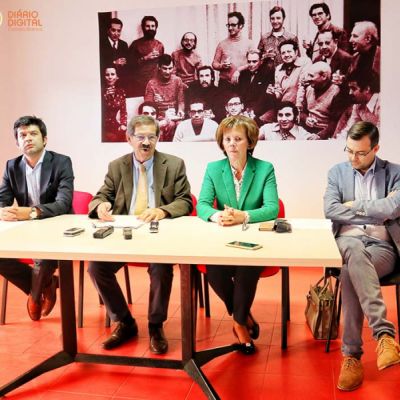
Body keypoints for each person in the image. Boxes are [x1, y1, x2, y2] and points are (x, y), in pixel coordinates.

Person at [88, 115, 192, 354]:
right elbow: (100, 196)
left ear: (158, 138)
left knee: (161, 268)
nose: (146, 142)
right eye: (140, 137)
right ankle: (125, 322)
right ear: (129, 139)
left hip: (158, 233)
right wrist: (101, 206)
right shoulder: (117, 166)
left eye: (151, 137)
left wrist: (162, 211)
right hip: (126, 233)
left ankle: (156, 325)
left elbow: (185, 201)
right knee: (96, 267)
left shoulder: (174, 164)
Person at [323, 121, 400, 391]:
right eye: (349, 150)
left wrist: (355, 206)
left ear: (375, 149)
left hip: (382, 248)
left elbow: (394, 206)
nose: (353, 158)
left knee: (349, 271)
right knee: (354, 250)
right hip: (346, 242)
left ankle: (352, 356)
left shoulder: (395, 172)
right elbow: (331, 210)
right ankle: (384, 335)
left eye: (360, 153)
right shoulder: (337, 172)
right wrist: (377, 212)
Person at [197, 115, 279, 355]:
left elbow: (272, 208)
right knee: (214, 271)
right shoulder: (214, 168)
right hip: (222, 238)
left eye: (238, 139)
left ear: (250, 142)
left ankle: (239, 324)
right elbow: (202, 205)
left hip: (254, 240)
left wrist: (243, 216)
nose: (232, 144)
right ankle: (242, 314)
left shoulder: (264, 168)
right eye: (227, 139)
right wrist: (218, 216)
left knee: (247, 269)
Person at [0, 115, 74, 321]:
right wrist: (2, 211)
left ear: (45, 139)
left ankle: (35, 296)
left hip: (58, 227)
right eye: (22, 135)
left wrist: (32, 212)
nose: (28, 138)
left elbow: (63, 203)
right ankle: (46, 284)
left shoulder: (61, 162)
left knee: (43, 255)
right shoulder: (12, 166)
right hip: (26, 229)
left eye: (33, 133)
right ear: (17, 142)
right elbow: (3, 199)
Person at [299, 61, 344, 139]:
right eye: (308, 75)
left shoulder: (336, 92)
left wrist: (320, 136)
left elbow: (335, 122)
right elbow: (302, 112)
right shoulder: (309, 88)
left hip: (325, 133)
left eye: (311, 76)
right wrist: (306, 118)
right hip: (307, 130)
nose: (308, 79)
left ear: (324, 76)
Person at [212, 11, 255, 87]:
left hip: (243, 83)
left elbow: (254, 63)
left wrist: (238, 70)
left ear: (241, 25)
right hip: (225, 84)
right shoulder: (222, 44)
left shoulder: (249, 44)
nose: (230, 28)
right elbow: (214, 64)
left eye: (233, 25)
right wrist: (222, 66)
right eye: (228, 25)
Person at [334, 71, 380, 139]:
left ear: (367, 89)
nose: (350, 93)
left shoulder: (382, 104)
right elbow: (350, 130)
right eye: (350, 89)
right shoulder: (358, 104)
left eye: (353, 88)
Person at [127, 16, 165, 97]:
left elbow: (162, 66)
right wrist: (146, 57)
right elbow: (129, 65)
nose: (150, 28)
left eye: (153, 26)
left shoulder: (160, 45)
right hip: (137, 84)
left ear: (156, 28)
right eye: (147, 26)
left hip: (155, 84)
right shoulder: (135, 44)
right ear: (143, 27)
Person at [238, 49, 275, 125]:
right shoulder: (243, 74)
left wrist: (253, 112)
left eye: (254, 61)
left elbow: (265, 97)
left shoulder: (268, 73)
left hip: (261, 110)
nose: (251, 64)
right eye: (249, 61)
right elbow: (240, 94)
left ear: (261, 61)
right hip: (244, 110)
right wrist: (242, 110)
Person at [269, 39, 310, 105]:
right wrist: (273, 93)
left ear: (296, 52)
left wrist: (298, 106)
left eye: (289, 51)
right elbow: (279, 91)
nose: (286, 55)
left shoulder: (305, 63)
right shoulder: (279, 68)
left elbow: (302, 87)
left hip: (300, 105)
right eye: (283, 53)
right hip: (284, 106)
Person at [144, 54, 186, 119]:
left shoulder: (177, 80)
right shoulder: (151, 83)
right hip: (159, 117)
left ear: (173, 67)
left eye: (170, 68)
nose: (167, 72)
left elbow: (181, 101)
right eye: (165, 68)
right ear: (159, 67)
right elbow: (148, 106)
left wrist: (180, 110)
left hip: (174, 115)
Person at [99, 18, 129, 89]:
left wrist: (125, 62)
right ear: (108, 30)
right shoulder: (101, 44)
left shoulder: (124, 44)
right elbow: (99, 64)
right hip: (105, 83)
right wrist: (114, 62)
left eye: (119, 31)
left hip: (121, 83)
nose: (116, 33)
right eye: (113, 30)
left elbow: (127, 65)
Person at [102, 66, 127, 142]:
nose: (110, 77)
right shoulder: (100, 91)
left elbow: (123, 110)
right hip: (104, 127)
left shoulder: (121, 91)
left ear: (117, 77)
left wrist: (123, 124)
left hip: (117, 125)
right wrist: (105, 96)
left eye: (112, 74)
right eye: (107, 75)